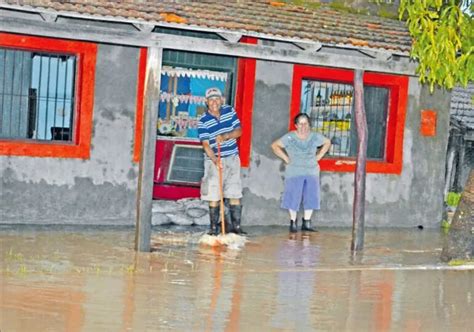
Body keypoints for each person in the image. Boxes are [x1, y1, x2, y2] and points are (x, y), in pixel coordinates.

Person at [271, 113, 331, 233]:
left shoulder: (314, 136)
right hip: (294, 171)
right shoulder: (290, 137)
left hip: (311, 170)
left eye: (306, 123)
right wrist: (286, 158)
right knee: (293, 197)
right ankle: (293, 222)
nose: (303, 126)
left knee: (311, 197)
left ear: (309, 125)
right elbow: (275, 145)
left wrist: (319, 155)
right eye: (300, 123)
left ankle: (307, 222)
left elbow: (327, 142)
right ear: (296, 125)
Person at [198, 87, 246, 235]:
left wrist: (226, 136)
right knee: (213, 193)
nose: (214, 102)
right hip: (214, 160)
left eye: (216, 98)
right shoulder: (203, 121)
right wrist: (214, 160)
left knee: (234, 192)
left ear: (222, 100)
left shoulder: (229, 111)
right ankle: (213, 229)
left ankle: (236, 228)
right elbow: (206, 144)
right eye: (211, 99)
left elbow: (239, 131)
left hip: (232, 158)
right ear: (206, 102)